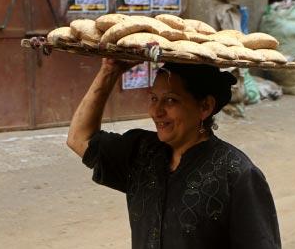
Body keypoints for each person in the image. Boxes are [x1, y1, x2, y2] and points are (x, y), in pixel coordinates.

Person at [67, 59, 281, 249]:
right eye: (153, 98)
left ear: (205, 107)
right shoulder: (141, 152)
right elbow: (79, 139)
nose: (156, 111)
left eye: (170, 100)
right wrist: (109, 70)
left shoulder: (237, 174)